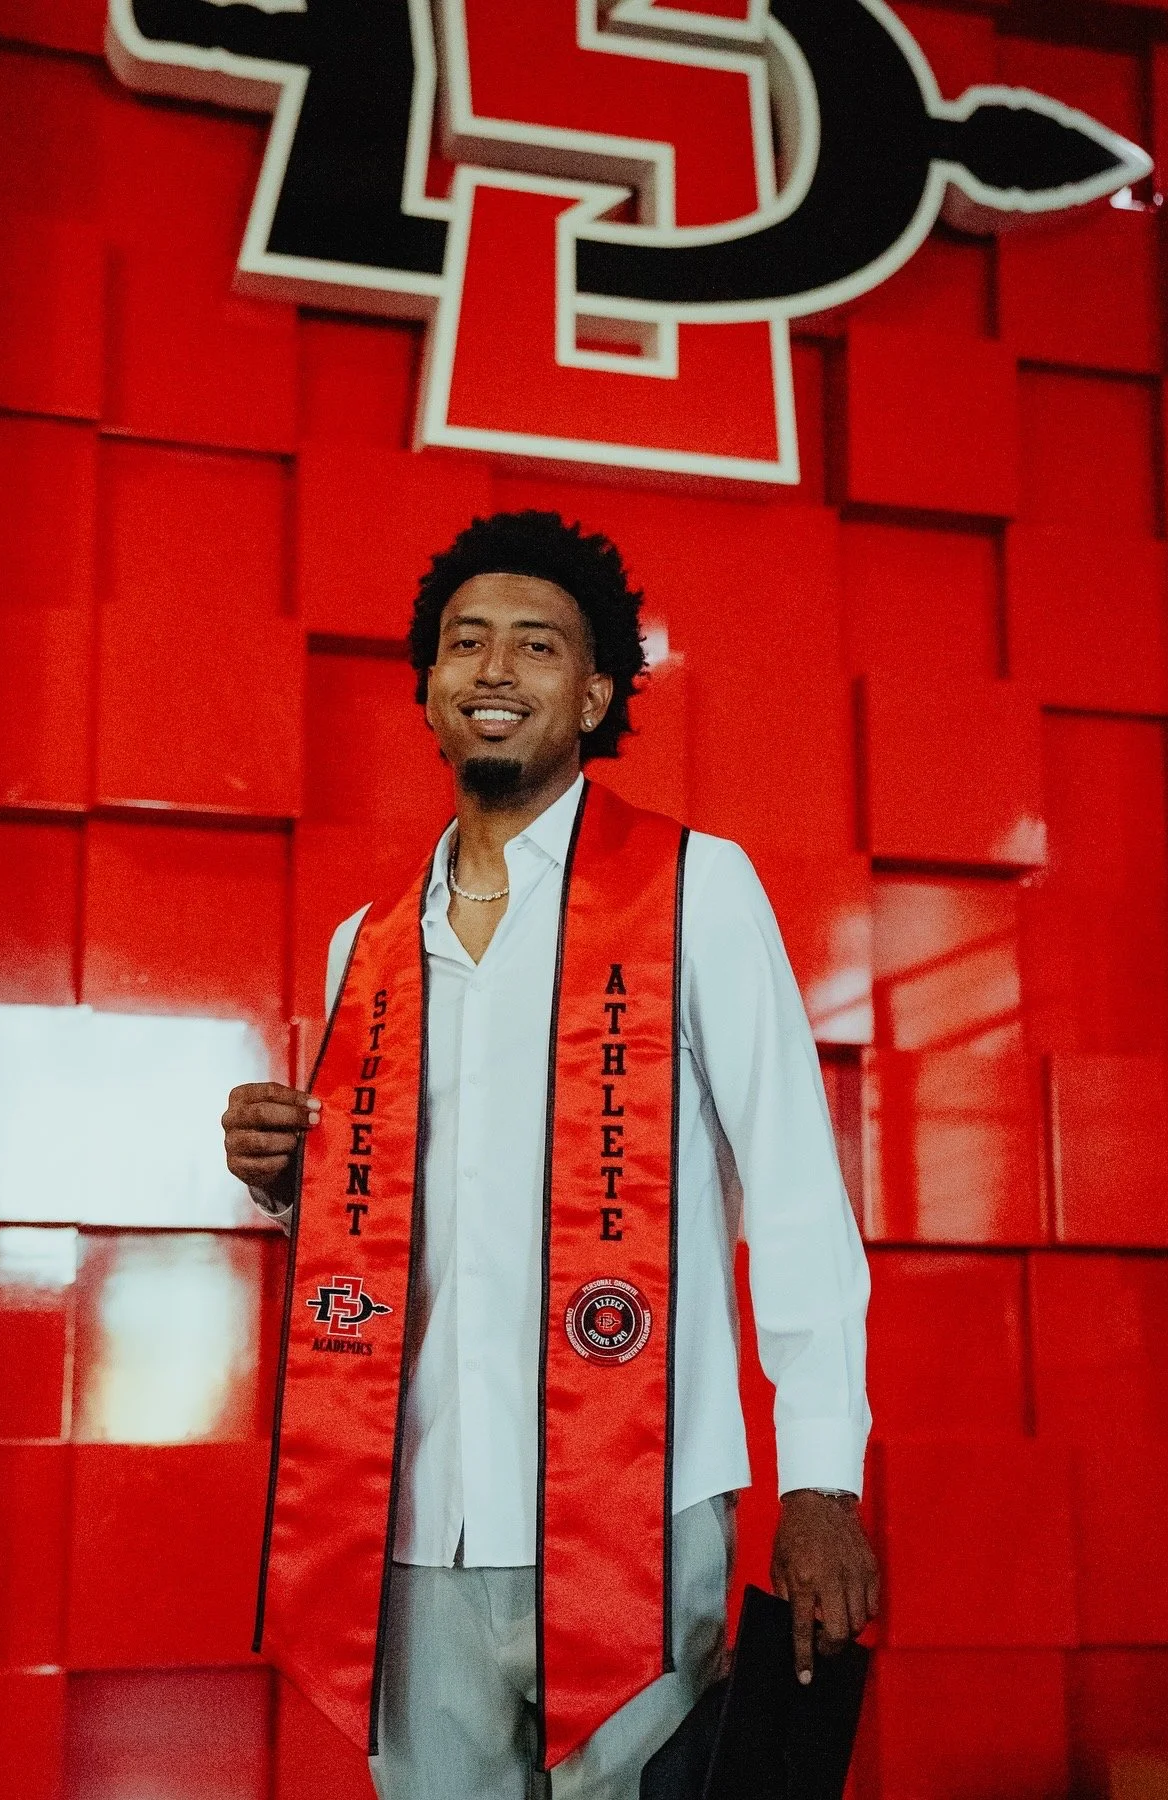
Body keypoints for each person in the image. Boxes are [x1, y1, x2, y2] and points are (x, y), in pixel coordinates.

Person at [222, 510, 876, 1800]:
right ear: (426, 690)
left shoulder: (695, 887)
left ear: (595, 691)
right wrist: (291, 1191)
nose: (496, 671)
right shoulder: (372, 944)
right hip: (411, 1523)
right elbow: (411, 1223)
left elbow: (796, 1194)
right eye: (467, 643)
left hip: (637, 1512)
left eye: (537, 645)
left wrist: (821, 1479)